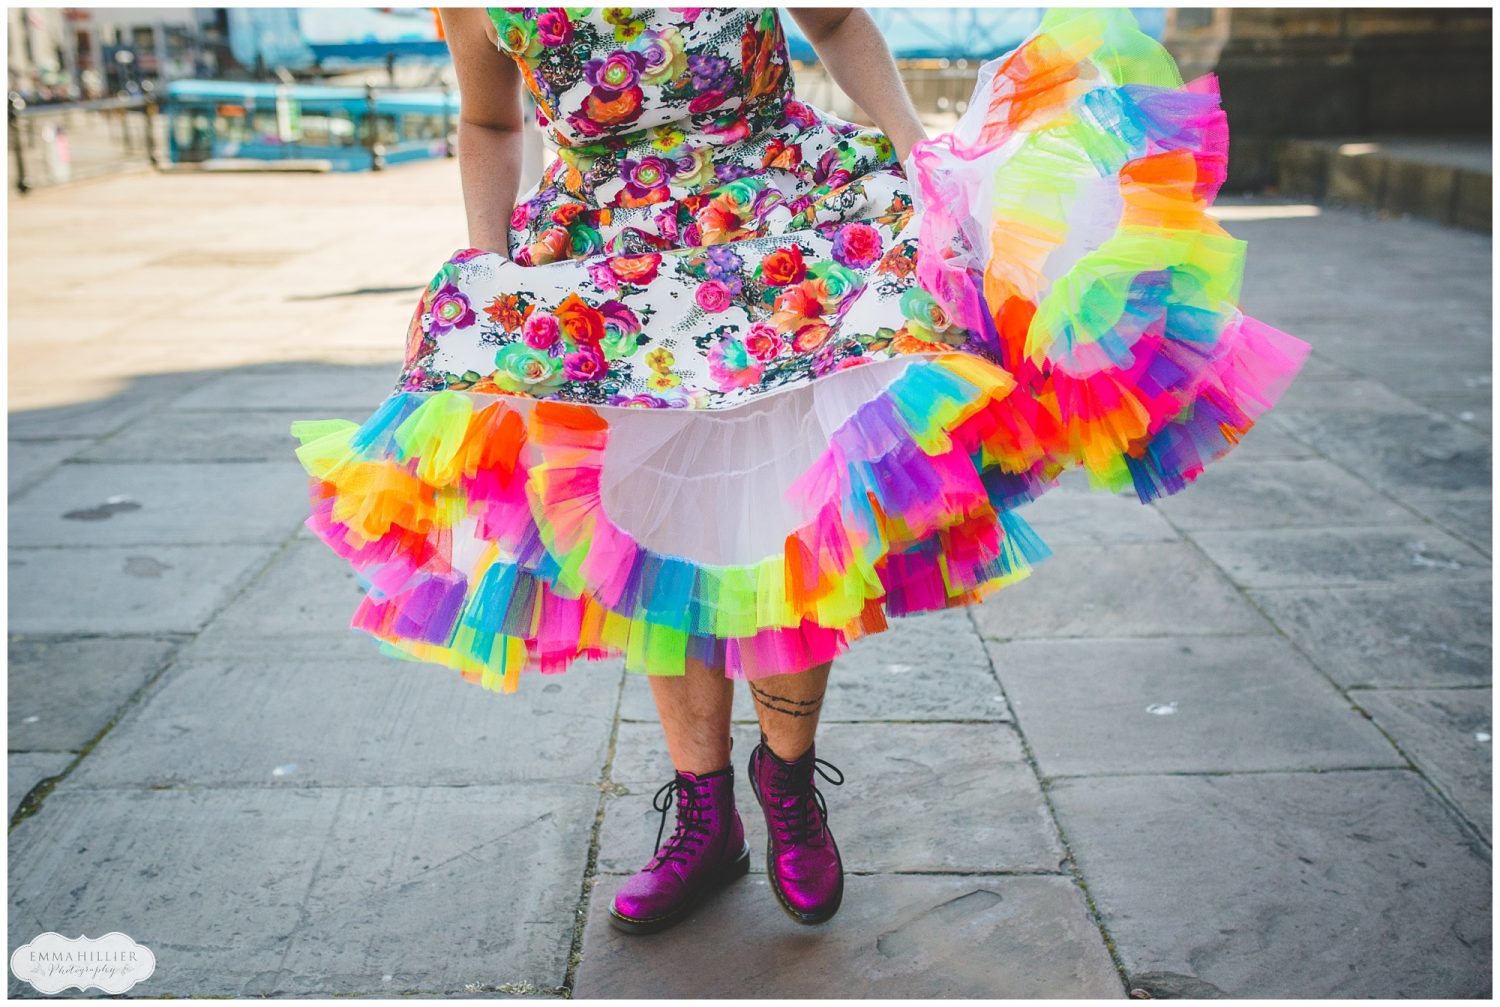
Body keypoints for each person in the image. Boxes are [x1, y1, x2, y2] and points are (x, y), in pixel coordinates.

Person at [291, 7, 1309, 936]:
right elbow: (493, 124)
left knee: (789, 517)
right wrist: (490, 267)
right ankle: (703, 815)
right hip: (605, 262)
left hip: (791, 227)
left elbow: (834, 18)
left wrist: (921, 155)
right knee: (645, 530)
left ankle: (785, 782)